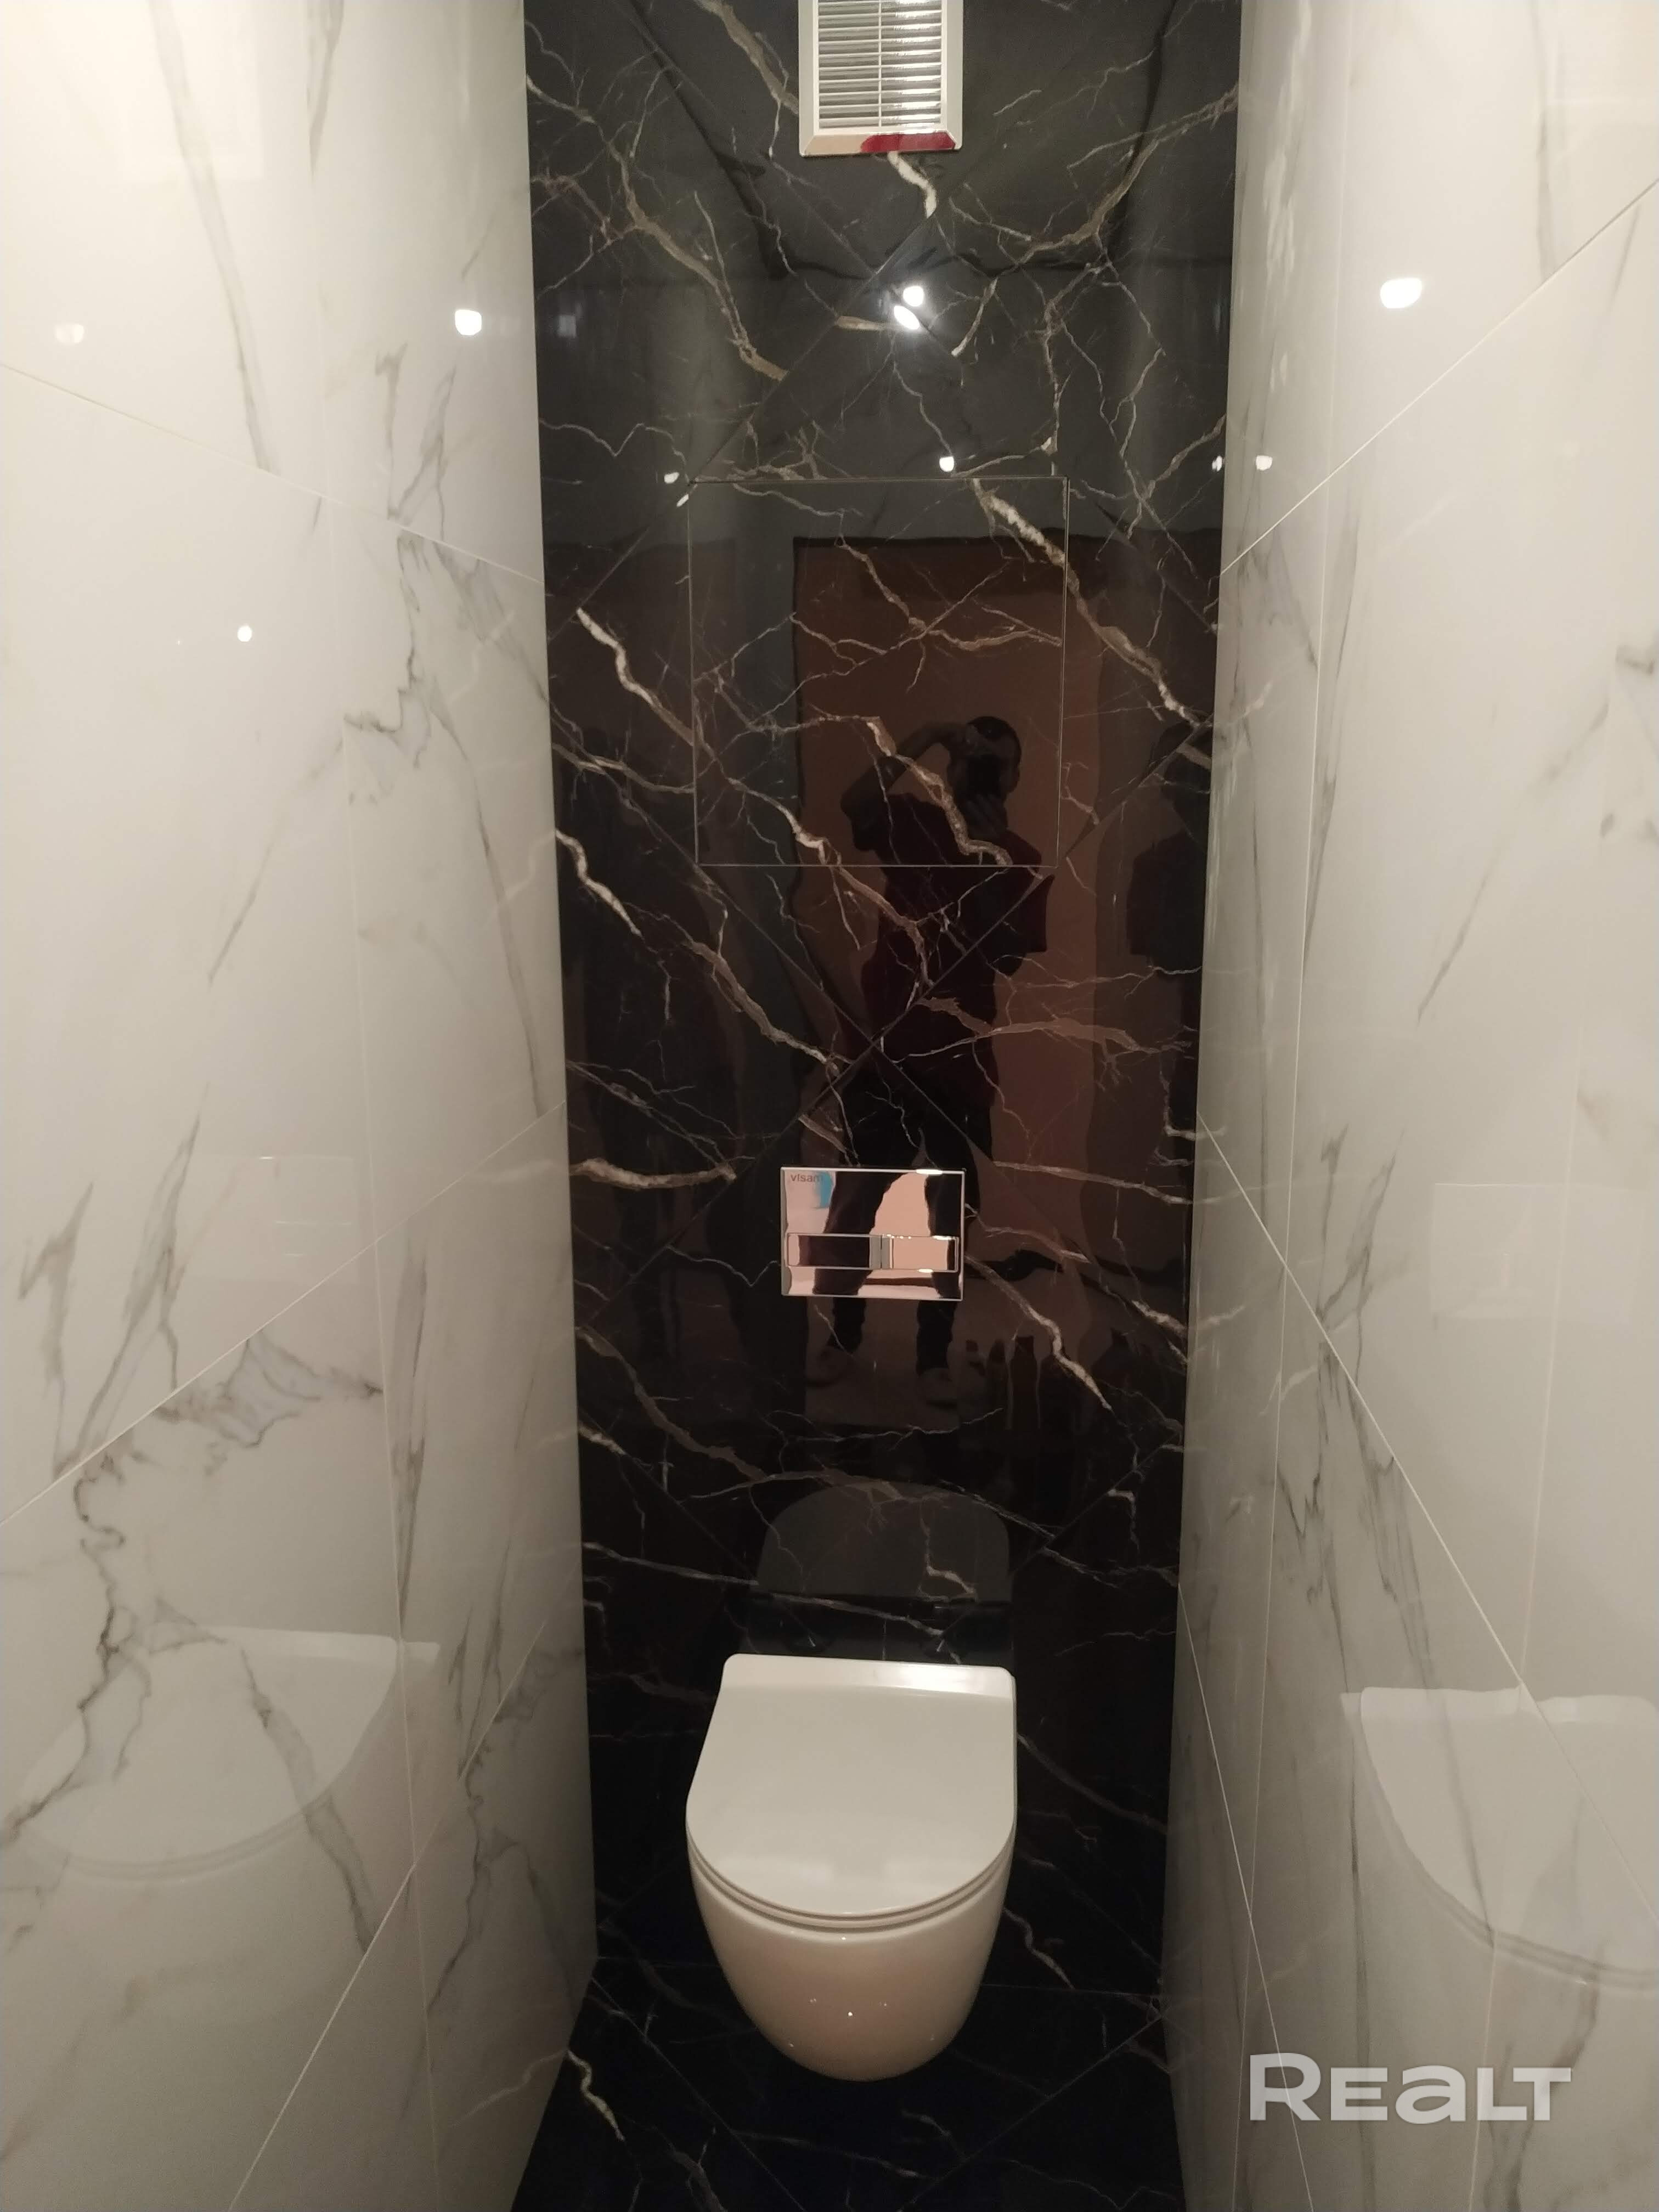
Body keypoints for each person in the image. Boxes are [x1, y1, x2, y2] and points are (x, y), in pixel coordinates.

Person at [806, 716, 1048, 1405]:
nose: (981, 774)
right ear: (952, 764)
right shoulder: (915, 823)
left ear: (1014, 778)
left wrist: (992, 855)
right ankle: (843, 1336)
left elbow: (1006, 955)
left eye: (996, 765)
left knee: (948, 1217)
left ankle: (933, 1357)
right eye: (973, 759)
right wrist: (924, 736)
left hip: (958, 1063)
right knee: (855, 1204)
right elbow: (855, 803)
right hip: (883, 1050)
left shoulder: (1022, 859)